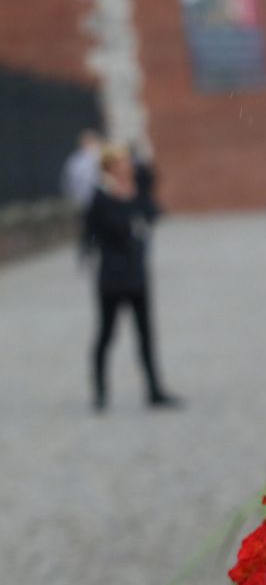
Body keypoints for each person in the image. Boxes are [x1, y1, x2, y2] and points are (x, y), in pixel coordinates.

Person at [82, 144, 179, 411]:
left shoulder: (136, 192)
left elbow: (154, 214)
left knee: (146, 333)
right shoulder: (100, 197)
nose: (128, 167)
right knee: (106, 333)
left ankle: (154, 390)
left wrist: (141, 189)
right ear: (110, 167)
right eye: (122, 163)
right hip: (112, 275)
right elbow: (93, 232)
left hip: (137, 272)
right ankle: (100, 392)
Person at [62, 129, 101, 211]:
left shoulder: (104, 155)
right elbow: (69, 182)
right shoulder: (75, 161)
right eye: (88, 141)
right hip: (84, 201)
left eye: (92, 140)